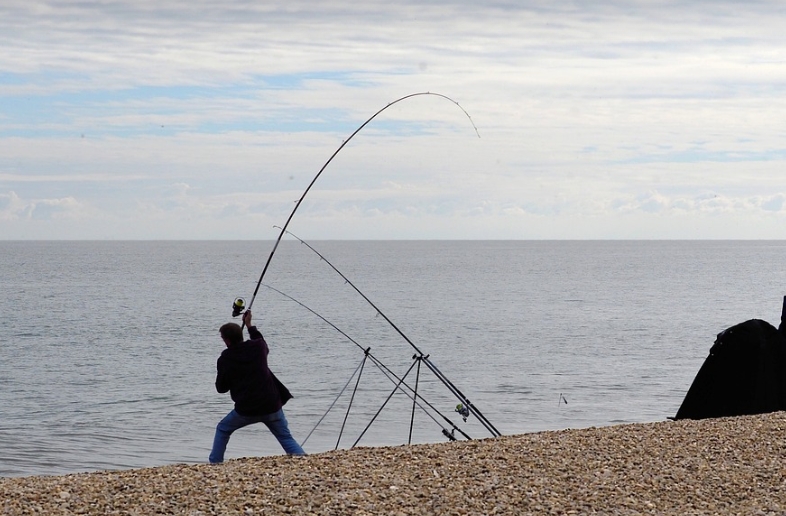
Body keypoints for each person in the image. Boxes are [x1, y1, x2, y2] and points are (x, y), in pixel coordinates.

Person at [209, 310, 305, 463]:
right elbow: (260, 340)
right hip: (272, 405)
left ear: (226, 340)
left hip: (247, 410)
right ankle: (303, 461)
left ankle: (215, 463)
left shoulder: (225, 358)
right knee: (285, 437)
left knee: (223, 429)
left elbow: (221, 388)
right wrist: (249, 325)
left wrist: (224, 370)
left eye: (222, 338)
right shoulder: (258, 347)